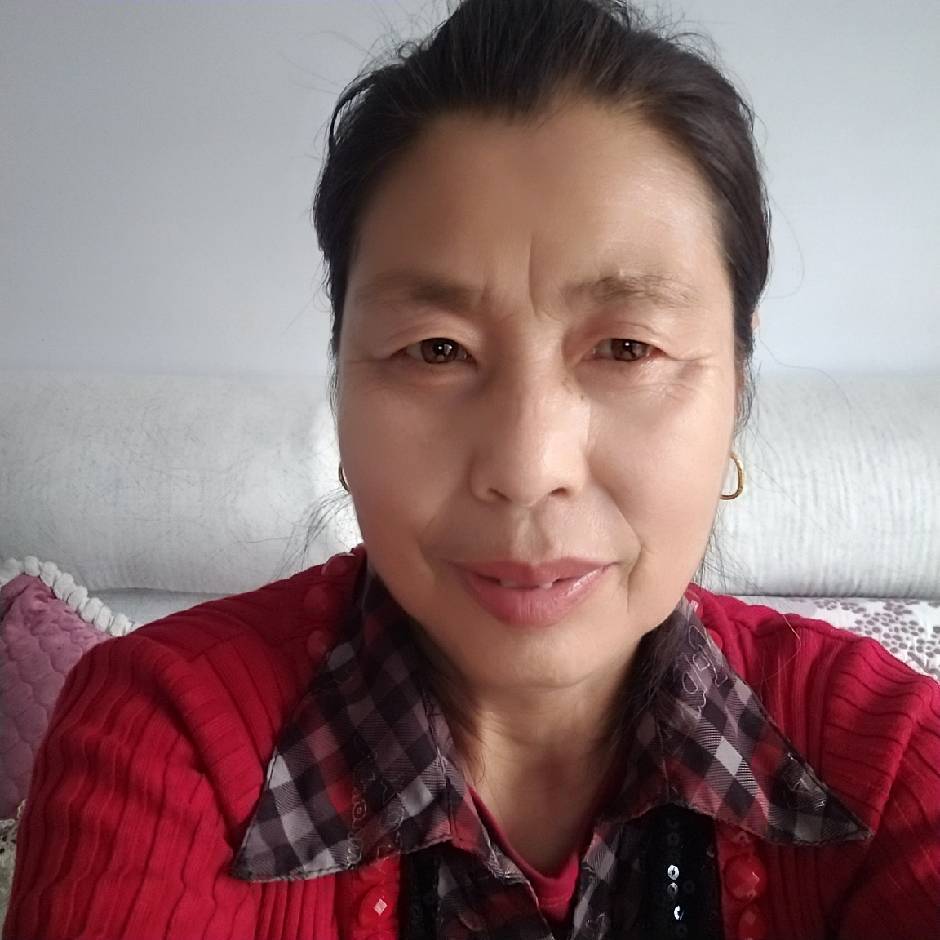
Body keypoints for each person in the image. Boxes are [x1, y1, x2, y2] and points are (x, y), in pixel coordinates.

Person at [5, 0, 940, 937]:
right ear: (340, 377)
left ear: (736, 381)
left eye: (626, 347)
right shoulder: (163, 736)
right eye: (436, 350)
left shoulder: (890, 757)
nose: (528, 468)